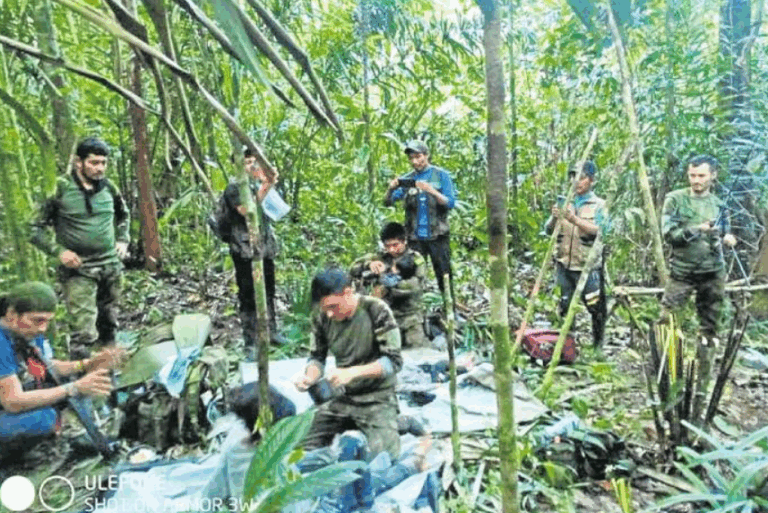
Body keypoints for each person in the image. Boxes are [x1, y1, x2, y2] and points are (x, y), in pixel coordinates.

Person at [0, 282, 126, 459]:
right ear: (12, 314)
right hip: (8, 403)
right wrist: (74, 388)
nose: (43, 328)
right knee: (45, 418)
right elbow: (13, 401)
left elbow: (47, 366)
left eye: (47, 321)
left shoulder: (23, 330)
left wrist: (87, 364)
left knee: (67, 390)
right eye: (38, 320)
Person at [30, 137, 129, 359]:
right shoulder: (60, 189)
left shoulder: (109, 188)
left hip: (110, 266)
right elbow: (33, 228)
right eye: (94, 163)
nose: (100, 168)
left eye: (103, 163)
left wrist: (123, 240)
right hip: (79, 270)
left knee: (110, 323)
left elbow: (124, 215)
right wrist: (59, 252)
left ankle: (109, 374)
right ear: (78, 162)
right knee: (83, 333)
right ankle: (83, 382)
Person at [294, 268, 402, 459]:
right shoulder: (322, 316)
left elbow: (393, 362)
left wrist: (352, 373)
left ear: (347, 293)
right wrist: (309, 377)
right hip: (341, 398)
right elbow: (317, 357)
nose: (328, 314)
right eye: (324, 308)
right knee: (297, 446)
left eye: (333, 307)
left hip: (376, 398)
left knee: (384, 459)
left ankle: (400, 423)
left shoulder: (375, 310)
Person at [216, 147, 287, 356]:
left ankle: (271, 331)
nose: (251, 166)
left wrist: (268, 182)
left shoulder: (258, 183)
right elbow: (247, 210)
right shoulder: (233, 188)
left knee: (269, 290)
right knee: (248, 295)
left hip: (264, 247)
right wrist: (266, 185)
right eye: (247, 163)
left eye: (254, 162)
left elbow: (275, 209)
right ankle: (250, 341)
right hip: (244, 249)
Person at [659, 155, 736, 345]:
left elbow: (726, 232)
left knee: (710, 330)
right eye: (692, 175)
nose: (696, 181)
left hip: (712, 271)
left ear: (713, 176)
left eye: (701, 176)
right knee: (667, 320)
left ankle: (705, 373)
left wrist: (728, 238)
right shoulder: (675, 200)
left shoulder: (719, 204)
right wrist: (697, 229)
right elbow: (669, 234)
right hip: (682, 271)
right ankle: (664, 368)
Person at [544, 161, 608, 346]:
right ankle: (568, 347)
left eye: (581, 178)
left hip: (588, 267)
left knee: (595, 307)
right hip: (564, 264)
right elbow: (548, 230)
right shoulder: (566, 202)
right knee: (565, 306)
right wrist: (555, 218)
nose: (576, 182)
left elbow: (601, 231)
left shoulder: (599, 205)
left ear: (592, 181)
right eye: (573, 177)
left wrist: (574, 219)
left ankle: (597, 346)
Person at [384, 140, 457, 298]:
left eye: (418, 157)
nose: (415, 161)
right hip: (414, 237)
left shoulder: (440, 175)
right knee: (412, 276)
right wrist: (391, 188)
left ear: (427, 155)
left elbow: (450, 203)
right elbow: (388, 202)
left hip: (438, 236)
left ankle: (450, 310)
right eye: (411, 158)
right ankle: (415, 311)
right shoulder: (408, 179)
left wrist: (432, 191)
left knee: (444, 274)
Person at [350, 222, 429, 348]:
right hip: (385, 319)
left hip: (410, 318)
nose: (391, 249)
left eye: (395, 245)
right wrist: (369, 264)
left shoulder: (416, 259)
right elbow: (353, 268)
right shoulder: (380, 257)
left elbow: (416, 285)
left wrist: (388, 284)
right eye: (387, 246)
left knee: (417, 353)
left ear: (404, 241)